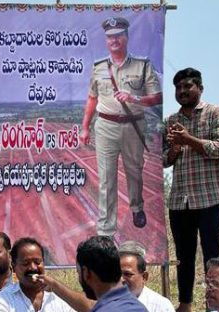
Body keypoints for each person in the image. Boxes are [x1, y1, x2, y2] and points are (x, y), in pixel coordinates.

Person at [80, 17, 163, 237]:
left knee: (134, 171)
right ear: (106, 41)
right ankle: (106, 227)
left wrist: (134, 98)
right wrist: (85, 127)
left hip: (133, 125)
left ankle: (137, 207)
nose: (114, 40)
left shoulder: (143, 65)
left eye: (118, 35)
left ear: (126, 37)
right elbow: (91, 98)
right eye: (110, 37)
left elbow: (157, 97)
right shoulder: (98, 68)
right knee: (106, 177)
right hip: (105, 125)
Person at [163, 67, 219, 312]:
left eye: (187, 87)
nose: (182, 92)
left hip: (210, 196)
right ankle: (185, 305)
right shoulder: (170, 121)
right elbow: (163, 160)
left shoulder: (214, 113)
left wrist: (189, 140)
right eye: (178, 88)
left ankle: (214, 305)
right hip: (180, 199)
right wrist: (174, 149)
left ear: (199, 88)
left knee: (212, 255)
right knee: (183, 256)